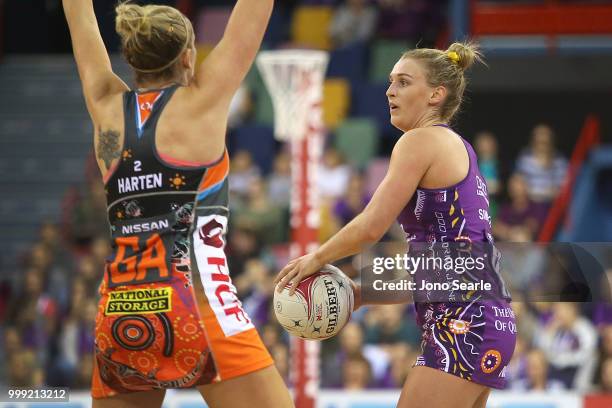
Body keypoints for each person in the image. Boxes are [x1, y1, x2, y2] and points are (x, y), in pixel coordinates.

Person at [62, 0, 293, 407]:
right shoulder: (202, 102)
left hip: (122, 312)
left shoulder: (104, 106)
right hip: (197, 307)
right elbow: (254, 14)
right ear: (189, 57)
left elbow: (79, 18)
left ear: (132, 59)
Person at [275, 42, 516, 408]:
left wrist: (316, 257)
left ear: (436, 94)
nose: (390, 91)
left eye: (403, 82)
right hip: (483, 318)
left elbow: (372, 227)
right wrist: (361, 294)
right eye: (390, 81)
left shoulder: (419, 141)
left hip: (463, 321)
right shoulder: (456, 146)